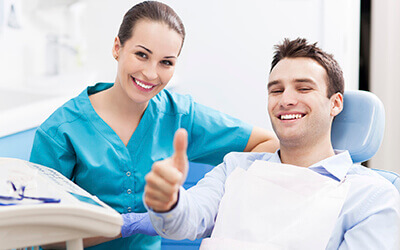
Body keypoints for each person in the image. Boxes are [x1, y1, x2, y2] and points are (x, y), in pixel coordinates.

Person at [29, 1, 278, 249]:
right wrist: (128, 224)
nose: (150, 73)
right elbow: (47, 237)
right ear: (117, 48)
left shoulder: (179, 115)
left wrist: (203, 198)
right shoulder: (60, 131)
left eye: (166, 62)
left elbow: (268, 144)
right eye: (141, 55)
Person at [144, 38, 400, 249]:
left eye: (303, 89)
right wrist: (169, 202)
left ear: (335, 104)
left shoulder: (371, 197)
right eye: (276, 90)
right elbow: (185, 222)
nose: (286, 100)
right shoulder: (235, 168)